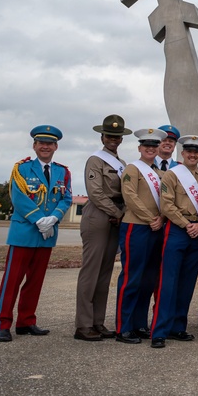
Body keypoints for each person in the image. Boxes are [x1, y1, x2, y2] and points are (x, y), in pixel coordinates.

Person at [0, 125, 72, 342]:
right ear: (35, 145)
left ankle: (26, 322)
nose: (45, 147)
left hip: (47, 235)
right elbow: (18, 197)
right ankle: (3, 324)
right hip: (24, 232)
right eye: (41, 143)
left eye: (49, 143)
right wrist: (39, 220)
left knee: (35, 282)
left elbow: (66, 198)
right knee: (12, 281)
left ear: (56, 146)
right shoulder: (22, 168)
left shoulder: (62, 172)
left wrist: (54, 218)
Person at [74, 114, 131, 342]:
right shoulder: (95, 161)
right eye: (109, 136)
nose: (113, 140)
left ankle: (97, 322)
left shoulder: (123, 164)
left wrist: (122, 212)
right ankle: (83, 325)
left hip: (116, 217)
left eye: (117, 137)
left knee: (105, 273)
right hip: (99, 216)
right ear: (102, 136)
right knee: (91, 272)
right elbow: (95, 192)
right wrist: (117, 213)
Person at [149, 134, 198, 348]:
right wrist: (187, 225)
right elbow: (166, 205)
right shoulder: (172, 175)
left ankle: (178, 327)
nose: (192, 155)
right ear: (182, 153)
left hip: (197, 232)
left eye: (196, 152)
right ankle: (159, 330)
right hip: (177, 230)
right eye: (189, 151)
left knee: (187, 283)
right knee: (169, 281)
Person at [115, 128, 166, 344]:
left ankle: (140, 323)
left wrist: (161, 218)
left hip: (156, 228)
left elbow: (166, 199)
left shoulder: (160, 173)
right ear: (139, 148)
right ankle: (123, 327)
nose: (150, 149)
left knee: (148, 279)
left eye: (154, 146)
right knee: (131, 278)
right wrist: (151, 218)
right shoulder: (132, 169)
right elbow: (130, 197)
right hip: (136, 227)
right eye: (146, 145)